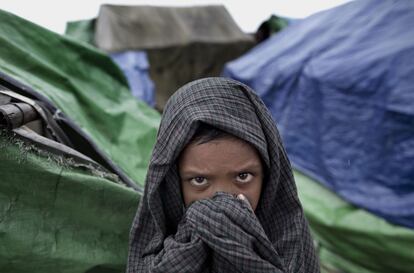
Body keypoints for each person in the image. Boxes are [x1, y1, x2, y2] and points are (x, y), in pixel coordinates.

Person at [127, 77, 320, 272]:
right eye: (199, 180)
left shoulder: (290, 239)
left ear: (269, 176)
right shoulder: (153, 255)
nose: (225, 200)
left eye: (243, 176)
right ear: (172, 183)